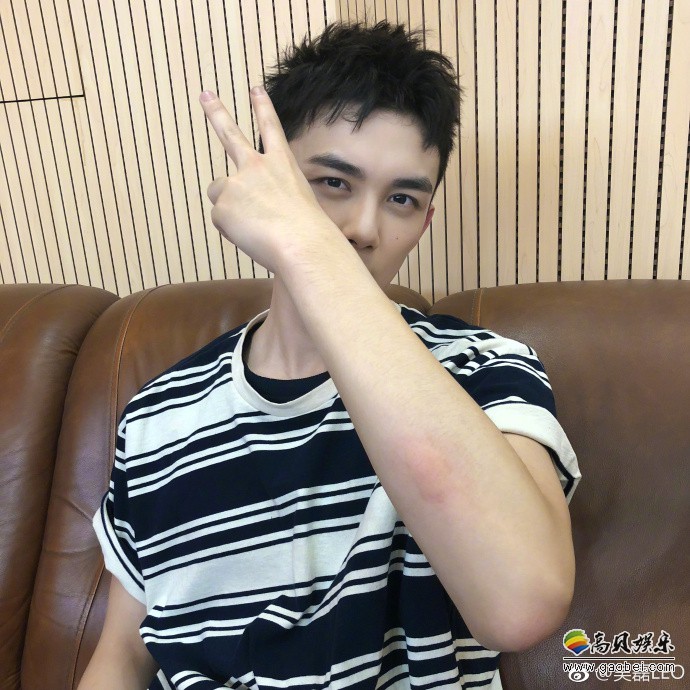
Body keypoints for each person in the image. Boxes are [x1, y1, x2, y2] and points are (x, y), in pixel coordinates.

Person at [78, 21, 580, 690]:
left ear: (425, 221)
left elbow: (521, 603)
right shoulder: (156, 415)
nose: (365, 229)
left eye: (402, 199)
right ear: (270, 182)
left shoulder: (482, 369)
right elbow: (123, 653)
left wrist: (310, 249)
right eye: (333, 183)